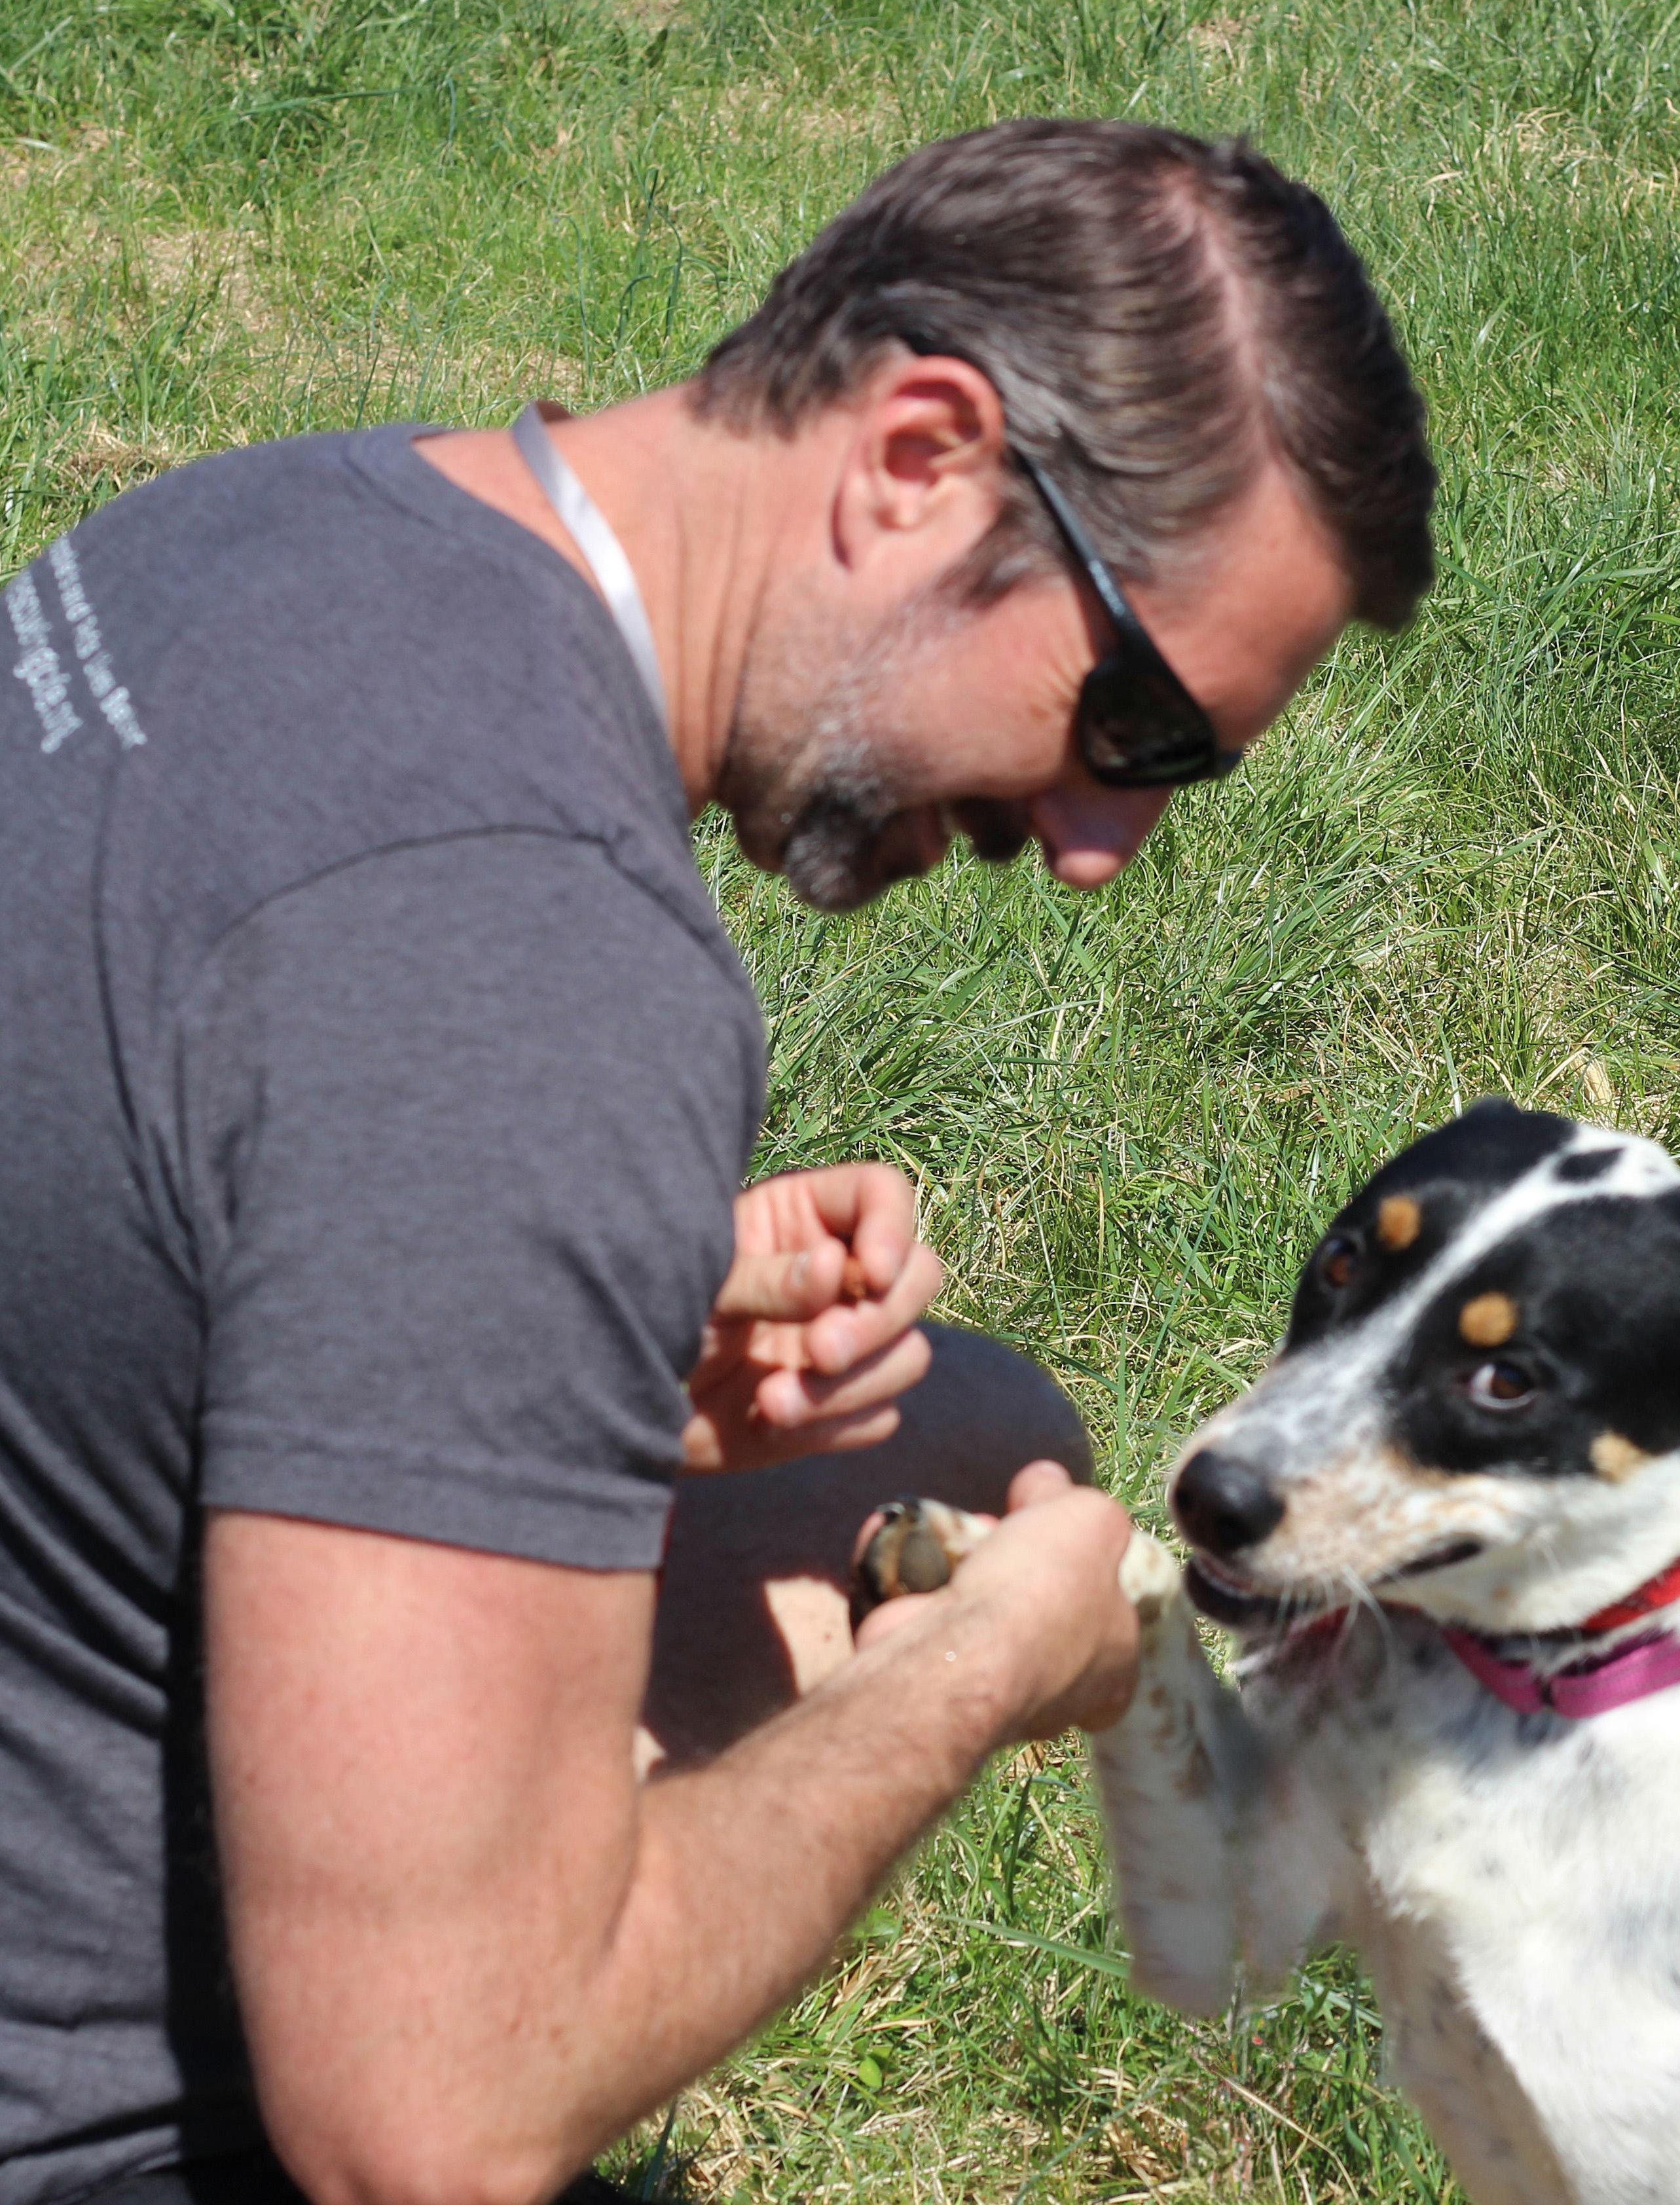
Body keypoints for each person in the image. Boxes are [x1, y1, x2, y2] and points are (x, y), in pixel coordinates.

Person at [0, 118, 1434, 2205]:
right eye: (1134, 727)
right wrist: (969, 1679)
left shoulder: (272, 531)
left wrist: (529, 1340)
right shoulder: (528, 964)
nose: (1103, 845)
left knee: (976, 1429)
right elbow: (430, 2125)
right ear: (922, 454)